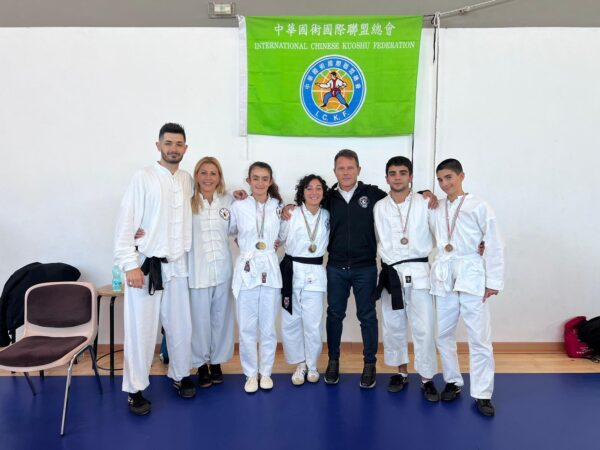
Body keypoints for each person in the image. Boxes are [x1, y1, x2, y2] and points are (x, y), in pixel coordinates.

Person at [114, 123, 195, 416]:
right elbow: (126, 224)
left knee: (181, 327)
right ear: (158, 145)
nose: (174, 149)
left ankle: (180, 374)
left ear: (186, 148)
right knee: (141, 331)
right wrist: (130, 264)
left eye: (179, 144)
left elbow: (209, 194)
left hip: (178, 266)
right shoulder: (143, 177)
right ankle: (135, 389)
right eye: (169, 143)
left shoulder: (187, 180)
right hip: (146, 268)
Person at [430, 158, 504, 417]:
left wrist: (492, 282)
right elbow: (414, 207)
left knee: (479, 338)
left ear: (462, 176)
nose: (444, 184)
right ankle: (453, 380)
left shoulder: (479, 206)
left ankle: (483, 394)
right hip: (446, 275)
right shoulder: (436, 207)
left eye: (449, 177)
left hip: (472, 274)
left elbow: (493, 243)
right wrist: (425, 194)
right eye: (440, 179)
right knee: (443, 333)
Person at [373, 157, 439, 401]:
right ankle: (401, 372)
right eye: (392, 173)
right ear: (387, 178)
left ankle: (427, 377)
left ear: (411, 176)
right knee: (393, 325)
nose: (397, 177)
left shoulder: (426, 202)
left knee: (424, 328)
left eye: (402, 173)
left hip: (420, 272)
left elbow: (441, 231)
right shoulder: (379, 206)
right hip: (392, 273)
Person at [229, 162, 283, 393]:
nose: (260, 182)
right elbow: (230, 230)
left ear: (270, 181)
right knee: (247, 327)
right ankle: (251, 373)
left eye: (264, 178)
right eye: (256, 178)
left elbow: (282, 235)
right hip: (247, 268)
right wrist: (242, 243)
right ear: (248, 180)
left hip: (270, 268)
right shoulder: (238, 205)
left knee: (268, 327)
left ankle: (266, 372)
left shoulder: (278, 207)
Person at [187, 157, 235, 387]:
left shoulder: (228, 201)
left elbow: (238, 228)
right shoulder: (187, 203)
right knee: (200, 322)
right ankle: (201, 364)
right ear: (197, 176)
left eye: (213, 173)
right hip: (197, 272)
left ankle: (216, 362)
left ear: (219, 177)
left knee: (221, 319)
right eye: (203, 173)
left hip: (223, 270)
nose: (208, 177)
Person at [278, 174, 330, 385]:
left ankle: (313, 364)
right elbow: (278, 239)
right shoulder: (291, 214)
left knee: (313, 323)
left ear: (323, 193)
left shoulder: (328, 214)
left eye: (318, 188)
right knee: (291, 321)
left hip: (315, 272)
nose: (314, 192)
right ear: (302, 192)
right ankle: (299, 364)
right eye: (309, 188)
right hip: (291, 271)